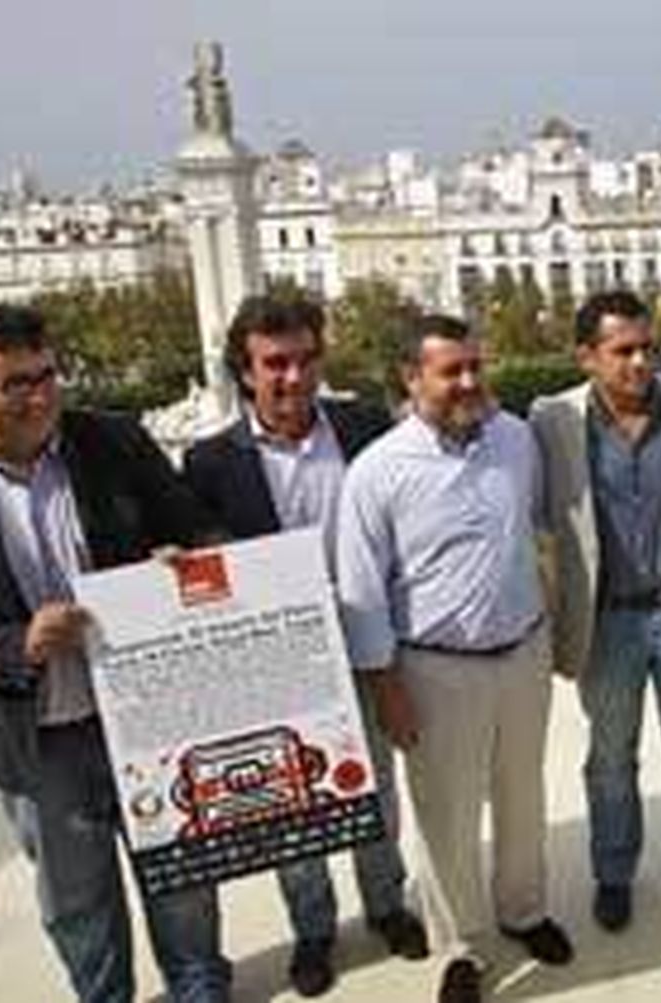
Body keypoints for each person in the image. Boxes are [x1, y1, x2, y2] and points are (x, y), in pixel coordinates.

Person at [0, 304, 231, 1003]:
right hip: (36, 739)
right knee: (77, 900)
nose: (40, 398)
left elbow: (195, 527)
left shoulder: (114, 443)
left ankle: (199, 987)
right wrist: (15, 644)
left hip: (148, 715)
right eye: (16, 383)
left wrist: (182, 562)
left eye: (47, 376)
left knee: (182, 876)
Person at [181, 294, 428, 997]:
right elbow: (197, 558)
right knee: (291, 800)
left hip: (365, 641)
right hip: (276, 661)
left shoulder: (363, 426)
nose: (294, 376)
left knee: (376, 788)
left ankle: (386, 905)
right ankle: (314, 930)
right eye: (275, 363)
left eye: (306, 359)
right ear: (245, 371)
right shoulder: (209, 462)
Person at [334, 315, 572, 1003]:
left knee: (523, 794)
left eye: (475, 366)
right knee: (448, 814)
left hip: (523, 653)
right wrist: (388, 690)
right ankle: (461, 946)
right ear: (412, 378)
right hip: (434, 671)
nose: (470, 381)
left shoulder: (516, 439)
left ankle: (524, 911)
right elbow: (361, 594)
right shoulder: (377, 471)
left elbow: (534, 529)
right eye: (451, 371)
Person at [530, 290, 661, 934]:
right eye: (622, 351)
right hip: (607, 623)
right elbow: (539, 512)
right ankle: (614, 876)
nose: (640, 362)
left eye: (647, 347)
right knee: (610, 760)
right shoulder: (553, 421)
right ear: (587, 356)